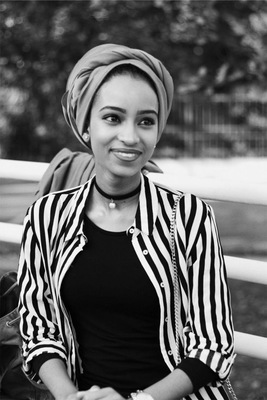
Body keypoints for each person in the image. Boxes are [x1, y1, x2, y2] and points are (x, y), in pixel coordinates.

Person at [18, 43, 235, 400]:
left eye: (146, 122)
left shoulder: (190, 217)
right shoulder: (46, 217)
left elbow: (213, 347)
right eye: (113, 118)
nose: (131, 137)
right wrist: (69, 396)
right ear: (86, 126)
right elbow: (39, 329)